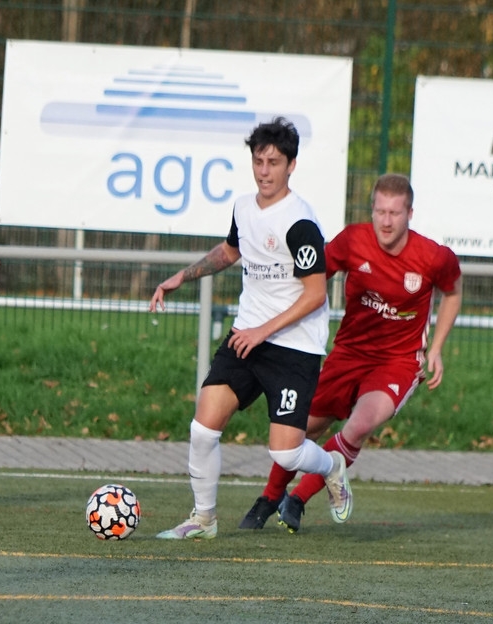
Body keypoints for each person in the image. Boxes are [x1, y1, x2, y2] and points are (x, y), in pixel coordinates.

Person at [149, 116, 352, 539]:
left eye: (273, 163)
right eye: (258, 161)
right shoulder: (243, 207)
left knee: (286, 452)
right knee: (203, 428)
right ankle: (203, 519)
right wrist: (181, 277)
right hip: (246, 336)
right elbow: (229, 251)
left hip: (294, 346)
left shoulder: (300, 223)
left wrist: (264, 331)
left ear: (291, 166)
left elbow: (316, 294)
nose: (264, 171)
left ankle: (332, 465)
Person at [240, 173, 462, 532]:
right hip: (348, 354)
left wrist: (436, 348)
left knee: (360, 425)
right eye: (380, 212)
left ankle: (298, 499)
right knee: (300, 431)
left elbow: (453, 292)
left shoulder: (433, 256)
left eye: (395, 213)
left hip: (398, 362)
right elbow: (311, 280)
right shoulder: (353, 241)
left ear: (410, 214)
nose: (386, 221)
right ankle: (268, 498)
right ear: (371, 210)